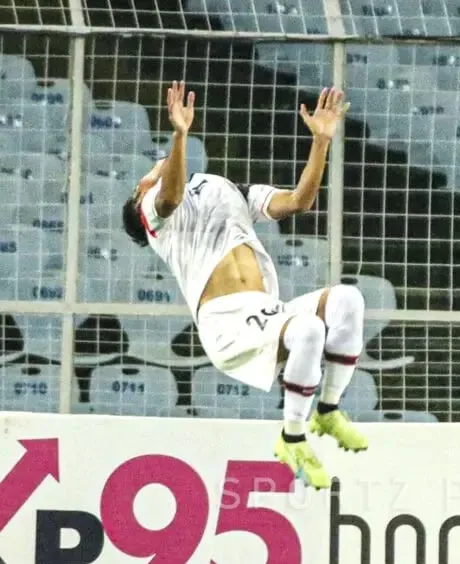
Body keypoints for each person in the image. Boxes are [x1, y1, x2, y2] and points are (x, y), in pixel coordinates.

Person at [120, 82, 367, 489]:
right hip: (227, 324)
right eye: (143, 178)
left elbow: (298, 202)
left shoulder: (227, 189)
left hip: (264, 311)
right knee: (309, 329)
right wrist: (180, 135)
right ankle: (292, 437)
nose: (150, 172)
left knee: (347, 300)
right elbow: (171, 196)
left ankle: (328, 409)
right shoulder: (154, 213)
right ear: (140, 194)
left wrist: (321, 143)